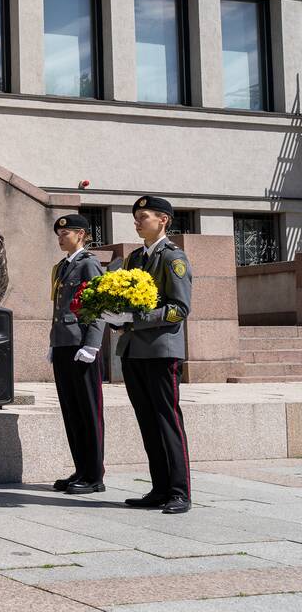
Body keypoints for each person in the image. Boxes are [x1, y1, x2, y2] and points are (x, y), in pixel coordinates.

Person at [102, 195, 193, 514]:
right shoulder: (135, 258)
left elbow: (179, 309)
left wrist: (135, 320)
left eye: (144, 216)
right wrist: (114, 316)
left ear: (163, 220)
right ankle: (159, 488)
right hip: (133, 351)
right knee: (147, 421)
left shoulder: (173, 258)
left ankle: (179, 491)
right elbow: (128, 302)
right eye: (136, 217)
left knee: (167, 420)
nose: (138, 222)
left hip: (161, 351)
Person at [47, 214, 106, 495]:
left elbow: (98, 306)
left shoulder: (89, 264)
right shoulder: (62, 267)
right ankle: (81, 469)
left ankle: (94, 475)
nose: (60, 238)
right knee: (71, 411)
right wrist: (53, 342)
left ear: (81, 235)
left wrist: (92, 344)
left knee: (88, 411)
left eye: (65, 233)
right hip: (63, 344)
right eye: (59, 234)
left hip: (82, 346)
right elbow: (59, 309)